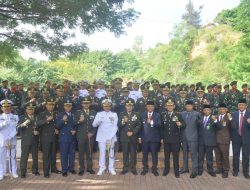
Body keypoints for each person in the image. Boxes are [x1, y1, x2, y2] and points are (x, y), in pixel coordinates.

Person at [92, 99, 118, 175]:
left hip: (111, 137)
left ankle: (111, 168)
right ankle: (102, 168)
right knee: (102, 153)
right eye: (105, 106)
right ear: (103, 107)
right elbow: (94, 125)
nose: (106, 108)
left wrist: (111, 137)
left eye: (108, 106)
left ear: (110, 107)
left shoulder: (114, 114)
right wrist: (98, 121)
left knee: (111, 153)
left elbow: (115, 126)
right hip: (101, 137)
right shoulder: (99, 114)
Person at [37, 98, 61, 178]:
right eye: (49, 105)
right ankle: (46, 172)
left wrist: (57, 129)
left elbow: (57, 124)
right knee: (46, 155)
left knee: (53, 154)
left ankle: (53, 169)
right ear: (46, 105)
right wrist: (47, 119)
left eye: (52, 105)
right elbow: (38, 123)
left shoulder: (56, 113)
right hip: (45, 138)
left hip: (54, 137)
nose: (51, 106)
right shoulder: (42, 114)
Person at [161, 99, 185, 178]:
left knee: (175, 156)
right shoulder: (163, 114)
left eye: (171, 105)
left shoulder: (178, 115)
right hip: (166, 139)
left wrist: (180, 124)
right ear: (166, 106)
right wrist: (162, 138)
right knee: (166, 156)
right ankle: (166, 170)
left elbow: (184, 125)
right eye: (168, 105)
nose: (170, 107)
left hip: (175, 140)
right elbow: (161, 127)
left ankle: (176, 171)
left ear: (174, 106)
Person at [74, 97, 96, 175]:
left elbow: (96, 125)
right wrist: (79, 121)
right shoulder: (78, 112)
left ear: (89, 104)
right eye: (84, 103)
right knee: (81, 153)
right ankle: (81, 169)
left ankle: (89, 168)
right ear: (82, 104)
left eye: (87, 103)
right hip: (81, 135)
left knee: (89, 152)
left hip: (90, 136)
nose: (86, 104)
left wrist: (92, 132)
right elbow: (73, 123)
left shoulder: (93, 112)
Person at [118, 99, 141, 175]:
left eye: (131, 106)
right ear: (125, 106)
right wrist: (123, 121)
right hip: (124, 137)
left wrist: (133, 132)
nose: (129, 107)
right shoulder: (121, 114)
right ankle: (125, 168)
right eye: (128, 106)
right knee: (125, 153)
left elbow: (139, 125)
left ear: (133, 107)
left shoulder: (137, 114)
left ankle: (133, 168)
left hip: (133, 137)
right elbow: (118, 125)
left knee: (133, 153)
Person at [140, 100, 161, 176]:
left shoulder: (157, 115)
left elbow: (159, 125)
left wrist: (152, 122)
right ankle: (145, 168)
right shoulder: (142, 114)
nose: (150, 107)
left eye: (151, 106)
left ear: (154, 107)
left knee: (154, 154)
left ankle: (154, 169)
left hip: (154, 138)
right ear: (146, 107)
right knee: (144, 154)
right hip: (144, 138)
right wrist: (139, 137)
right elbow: (140, 127)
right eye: (148, 106)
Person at [56, 99, 76, 177]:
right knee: (64, 155)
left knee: (72, 154)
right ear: (64, 107)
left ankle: (71, 169)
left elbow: (76, 125)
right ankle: (64, 170)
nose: (68, 107)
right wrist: (62, 120)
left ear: (71, 107)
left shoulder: (73, 114)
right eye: (66, 106)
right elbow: (57, 126)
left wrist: (75, 130)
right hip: (63, 138)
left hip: (72, 137)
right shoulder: (60, 114)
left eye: (69, 106)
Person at [19, 103, 40, 178]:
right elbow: (18, 128)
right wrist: (24, 124)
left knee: (35, 156)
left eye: (32, 109)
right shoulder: (22, 117)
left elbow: (39, 127)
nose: (31, 110)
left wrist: (38, 132)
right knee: (24, 157)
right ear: (26, 110)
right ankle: (23, 172)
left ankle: (35, 170)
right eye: (29, 109)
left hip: (34, 140)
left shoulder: (37, 117)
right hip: (26, 140)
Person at [181, 100, 201, 178]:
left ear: (193, 106)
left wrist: (198, 121)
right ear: (185, 106)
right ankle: (185, 168)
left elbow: (200, 125)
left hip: (193, 138)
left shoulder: (197, 114)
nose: (188, 107)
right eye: (187, 106)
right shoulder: (182, 114)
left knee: (194, 155)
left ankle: (194, 171)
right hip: (184, 138)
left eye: (190, 106)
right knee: (185, 154)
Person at [0, 99, 19, 180]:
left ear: (11, 107)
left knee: (12, 157)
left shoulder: (15, 117)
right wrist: (3, 123)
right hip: (2, 140)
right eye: (5, 107)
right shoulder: (0, 117)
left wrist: (10, 136)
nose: (6, 108)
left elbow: (17, 128)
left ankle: (13, 172)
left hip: (12, 139)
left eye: (8, 107)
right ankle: (2, 173)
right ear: (2, 108)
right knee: (1, 157)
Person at [231, 99, 250, 178]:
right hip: (236, 138)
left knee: (246, 156)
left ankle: (246, 171)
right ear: (237, 106)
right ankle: (235, 170)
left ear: (246, 106)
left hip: (247, 139)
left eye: (243, 105)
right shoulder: (234, 114)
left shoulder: (249, 114)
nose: (241, 106)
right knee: (235, 155)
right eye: (240, 105)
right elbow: (231, 126)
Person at [214, 103, 232, 178]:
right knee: (217, 155)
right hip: (216, 139)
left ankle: (226, 170)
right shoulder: (216, 117)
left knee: (225, 156)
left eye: (223, 109)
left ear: (226, 109)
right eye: (220, 109)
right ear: (218, 110)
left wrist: (230, 119)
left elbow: (233, 127)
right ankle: (219, 168)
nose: (221, 110)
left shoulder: (228, 117)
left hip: (224, 139)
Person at [198, 104, 217, 177]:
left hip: (209, 141)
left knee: (209, 157)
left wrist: (215, 120)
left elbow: (219, 126)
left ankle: (210, 170)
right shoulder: (200, 118)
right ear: (203, 111)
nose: (206, 111)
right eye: (205, 110)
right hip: (201, 141)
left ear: (210, 111)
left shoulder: (213, 118)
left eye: (208, 110)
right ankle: (200, 169)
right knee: (200, 157)